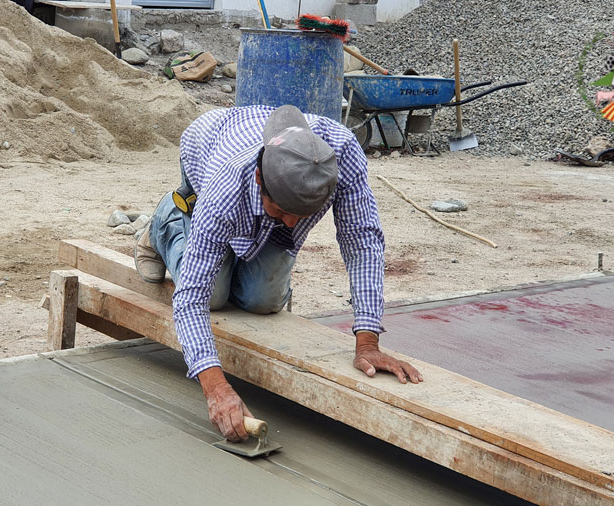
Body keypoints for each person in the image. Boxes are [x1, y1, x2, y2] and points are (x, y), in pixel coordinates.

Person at [135, 105, 423, 442]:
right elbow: (190, 300)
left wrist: (368, 341)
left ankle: (242, 247)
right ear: (260, 179)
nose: (290, 223)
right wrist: (216, 388)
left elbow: (361, 241)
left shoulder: (343, 156)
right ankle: (166, 221)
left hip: (256, 188)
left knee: (263, 301)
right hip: (205, 151)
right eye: (282, 210)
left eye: (303, 215)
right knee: (213, 295)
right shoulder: (226, 186)